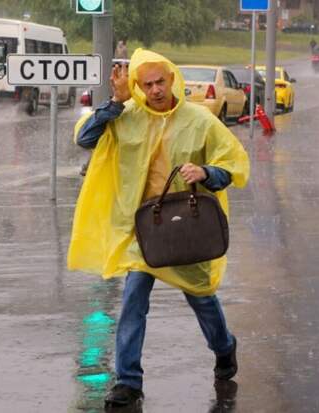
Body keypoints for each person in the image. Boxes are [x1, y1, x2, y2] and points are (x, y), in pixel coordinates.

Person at [67, 49, 250, 409]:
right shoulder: (125, 117)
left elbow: (232, 164)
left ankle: (224, 347)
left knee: (202, 298)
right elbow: (86, 138)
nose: (154, 90)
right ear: (137, 85)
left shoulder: (200, 120)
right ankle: (128, 382)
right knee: (134, 298)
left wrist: (206, 173)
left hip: (186, 226)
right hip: (143, 230)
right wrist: (114, 103)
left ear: (172, 79)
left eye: (160, 82)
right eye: (146, 84)